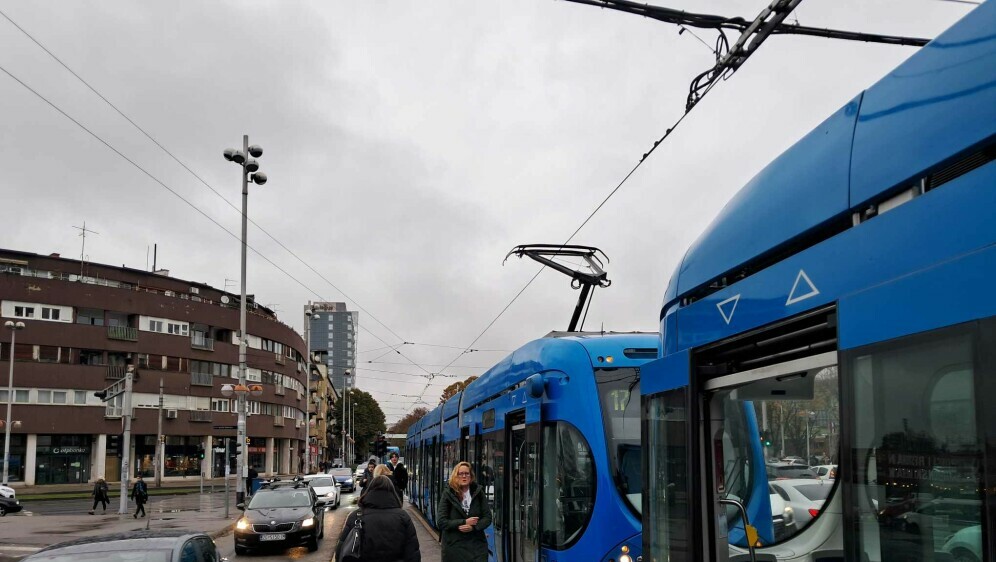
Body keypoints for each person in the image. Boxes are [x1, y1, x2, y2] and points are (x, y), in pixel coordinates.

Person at [335, 475, 420, 562]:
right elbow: (413, 553)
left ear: (369, 490)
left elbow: (341, 550)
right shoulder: (403, 516)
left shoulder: (356, 516)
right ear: (392, 492)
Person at [437, 462, 492, 562]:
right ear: (455, 476)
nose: (464, 476)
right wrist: (464, 522)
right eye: (461, 474)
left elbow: (487, 517)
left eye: (467, 473)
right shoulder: (448, 494)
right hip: (454, 549)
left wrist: (473, 527)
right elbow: (441, 521)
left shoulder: (478, 492)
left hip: (477, 549)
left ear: (471, 476)